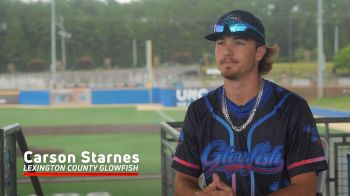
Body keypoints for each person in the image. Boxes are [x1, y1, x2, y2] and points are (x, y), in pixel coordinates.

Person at [171, 10, 328, 196]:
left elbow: (305, 188)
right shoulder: (199, 110)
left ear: (259, 53)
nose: (227, 51)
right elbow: (183, 181)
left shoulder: (292, 108)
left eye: (239, 42)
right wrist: (200, 195)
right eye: (221, 43)